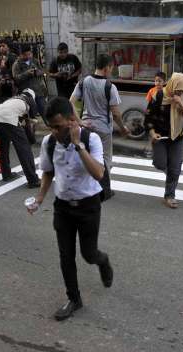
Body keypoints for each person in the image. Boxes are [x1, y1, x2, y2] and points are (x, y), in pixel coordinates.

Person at [29, 97, 113, 321]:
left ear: (71, 120)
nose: (55, 131)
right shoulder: (48, 142)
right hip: (63, 208)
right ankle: (74, 299)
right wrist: (39, 198)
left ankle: (103, 261)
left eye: (59, 126)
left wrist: (78, 145)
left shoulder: (91, 138)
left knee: (89, 254)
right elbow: (48, 172)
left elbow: (98, 173)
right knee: (66, 256)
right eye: (51, 127)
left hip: (88, 207)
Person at [69, 54, 130, 199]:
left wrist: (80, 122)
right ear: (107, 67)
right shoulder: (110, 87)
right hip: (103, 130)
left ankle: (88, 186)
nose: (111, 71)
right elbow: (115, 114)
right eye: (111, 68)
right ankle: (104, 191)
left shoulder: (83, 82)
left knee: (88, 157)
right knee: (105, 159)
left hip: (86, 128)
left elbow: (70, 102)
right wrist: (123, 128)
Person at [145, 73, 183, 209]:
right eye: (179, 90)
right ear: (172, 85)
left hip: (178, 137)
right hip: (161, 137)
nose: (180, 92)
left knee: (175, 169)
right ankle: (170, 172)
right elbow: (148, 118)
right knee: (160, 163)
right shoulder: (158, 96)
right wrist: (152, 133)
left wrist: (182, 105)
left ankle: (169, 196)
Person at [0, 88, 41, 188]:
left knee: (3, 147)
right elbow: (30, 124)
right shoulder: (29, 101)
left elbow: (20, 120)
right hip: (7, 117)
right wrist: (31, 140)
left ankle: (6, 174)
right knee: (24, 149)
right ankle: (33, 180)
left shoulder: (13, 99)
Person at [12, 45, 47, 118]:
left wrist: (38, 72)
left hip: (38, 92)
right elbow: (16, 78)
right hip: (27, 95)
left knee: (44, 111)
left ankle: (51, 126)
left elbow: (43, 71)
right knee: (30, 116)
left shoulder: (35, 61)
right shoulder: (17, 64)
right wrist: (27, 73)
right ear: (20, 55)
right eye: (25, 55)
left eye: (29, 54)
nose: (28, 56)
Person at [143, 71, 166, 157]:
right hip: (153, 116)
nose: (157, 83)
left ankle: (158, 150)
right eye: (156, 81)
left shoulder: (166, 92)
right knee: (152, 133)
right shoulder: (152, 91)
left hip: (161, 117)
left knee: (159, 135)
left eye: (159, 81)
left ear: (164, 82)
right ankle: (150, 149)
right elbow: (149, 104)